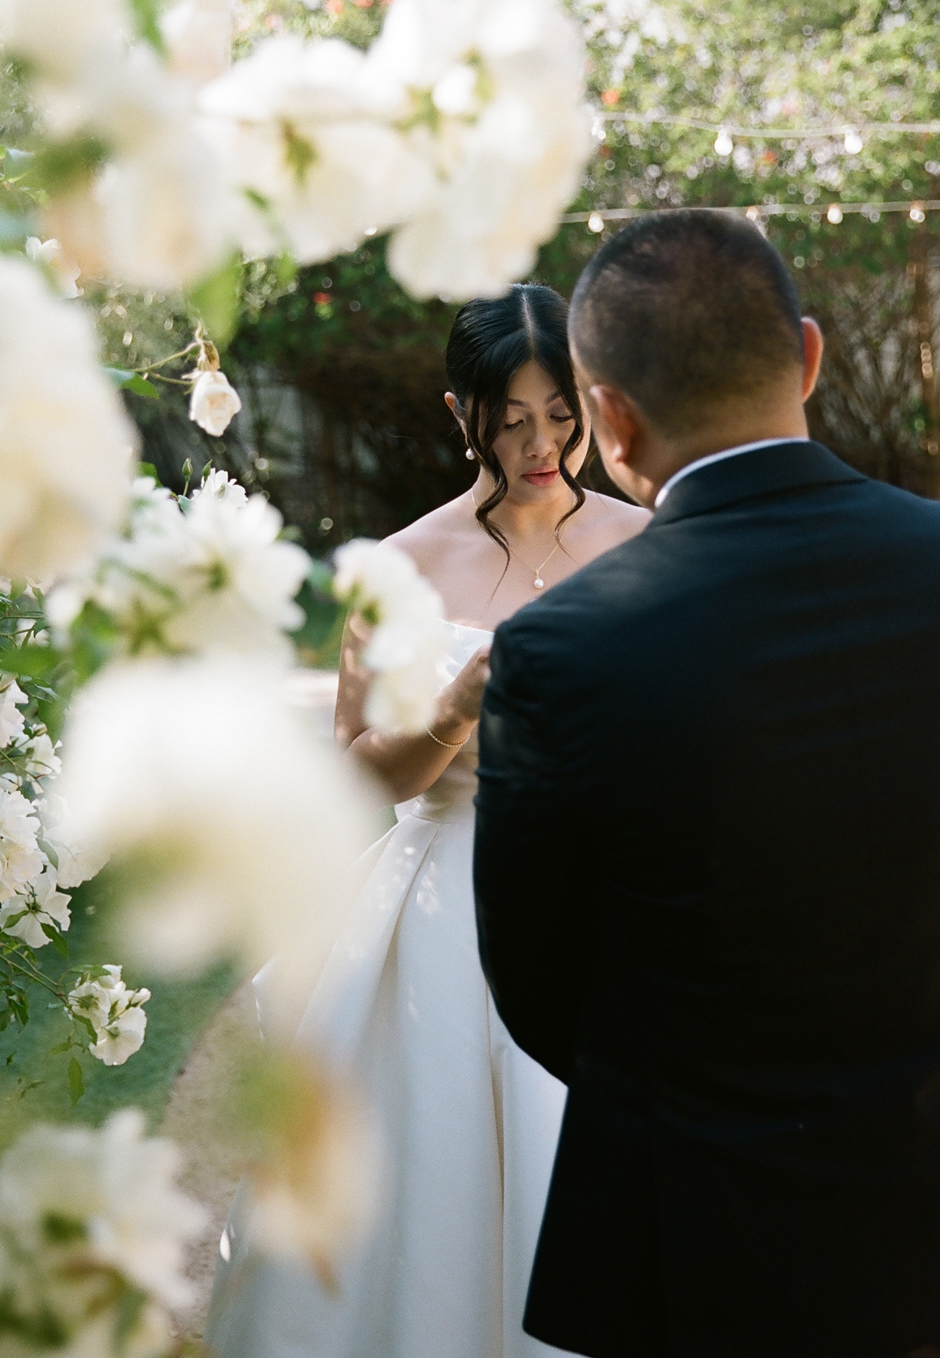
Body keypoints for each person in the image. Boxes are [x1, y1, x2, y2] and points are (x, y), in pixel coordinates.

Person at [474, 210, 940, 1358]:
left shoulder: (561, 651)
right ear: (807, 355)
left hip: (702, 1235)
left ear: (607, 414)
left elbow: (539, 984)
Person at [206, 283, 646, 1358]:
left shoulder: (653, 546)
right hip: (449, 907)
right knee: (439, 1175)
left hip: (613, 903)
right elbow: (360, 780)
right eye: (512, 421)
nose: (544, 445)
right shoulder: (397, 570)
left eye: (562, 415)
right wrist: (454, 712)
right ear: (464, 416)